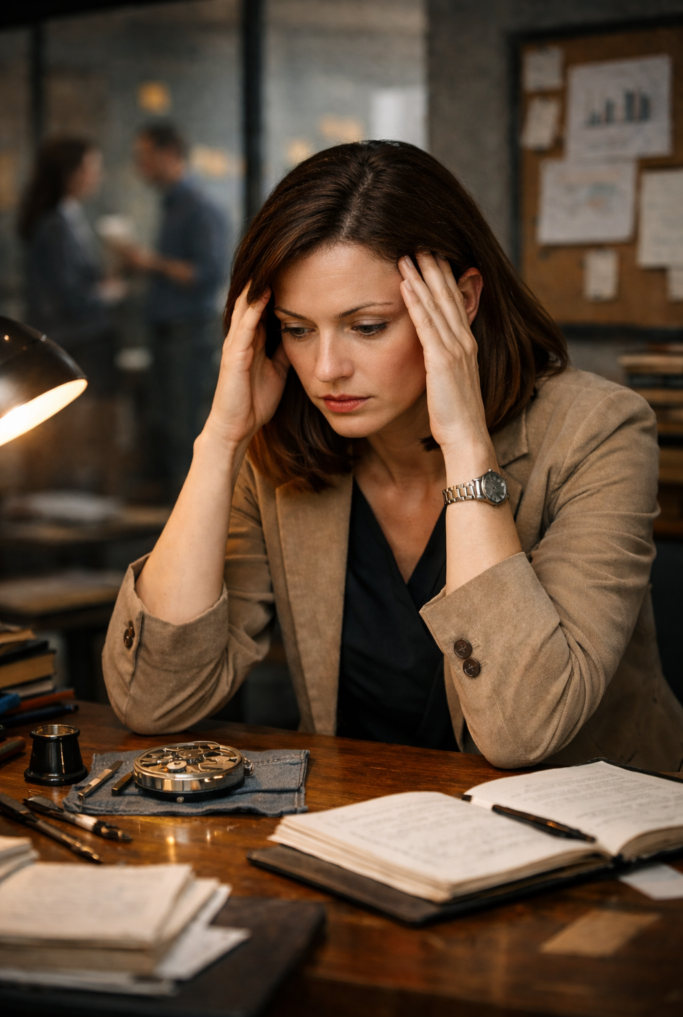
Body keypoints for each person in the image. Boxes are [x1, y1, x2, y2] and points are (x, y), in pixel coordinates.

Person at [103, 141, 683, 772]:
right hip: (358, 834)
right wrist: (220, 441)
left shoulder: (598, 432)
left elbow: (523, 730)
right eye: (298, 330)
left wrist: (465, 442)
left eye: (368, 326)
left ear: (461, 301)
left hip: (586, 847)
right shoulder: (282, 453)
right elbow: (153, 701)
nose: (326, 370)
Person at [121, 122, 230, 497]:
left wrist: (149, 263)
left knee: (187, 429)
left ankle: (193, 524)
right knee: (166, 425)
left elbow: (209, 274)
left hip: (189, 332)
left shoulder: (201, 207)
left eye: (146, 158)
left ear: (170, 155)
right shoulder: (170, 206)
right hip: (165, 332)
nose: (141, 167)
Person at [18, 137, 124, 394]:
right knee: (85, 420)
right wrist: (107, 293)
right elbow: (67, 294)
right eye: (91, 168)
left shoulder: (68, 215)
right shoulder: (55, 224)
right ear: (70, 174)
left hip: (77, 336)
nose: (97, 176)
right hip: (75, 339)